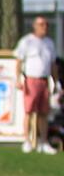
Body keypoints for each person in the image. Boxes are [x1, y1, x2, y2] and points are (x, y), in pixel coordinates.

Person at [14, 15, 56, 154]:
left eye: (46, 24)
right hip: (31, 79)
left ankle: (43, 141)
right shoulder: (27, 41)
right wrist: (18, 79)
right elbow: (19, 61)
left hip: (44, 79)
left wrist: (54, 81)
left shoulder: (49, 43)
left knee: (44, 112)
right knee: (29, 111)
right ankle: (27, 140)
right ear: (35, 25)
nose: (45, 27)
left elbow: (53, 63)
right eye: (42, 24)